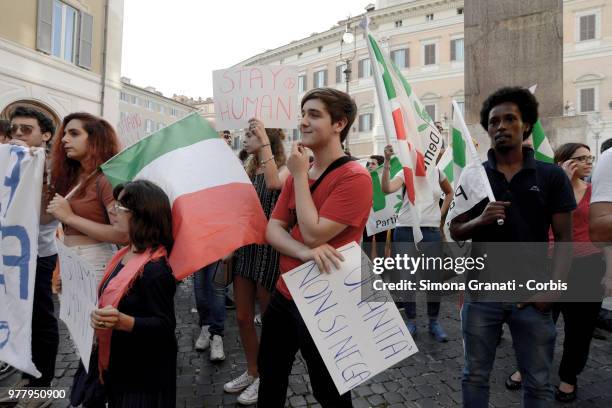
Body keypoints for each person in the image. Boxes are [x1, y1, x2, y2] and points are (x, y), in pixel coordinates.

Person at [450, 87, 575, 407]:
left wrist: (553, 291)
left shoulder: (551, 176)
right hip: (481, 295)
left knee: (538, 382)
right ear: (487, 128)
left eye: (510, 119)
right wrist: (479, 222)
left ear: (527, 125)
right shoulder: (474, 175)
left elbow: (564, 238)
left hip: (531, 296)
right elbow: (455, 229)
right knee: (475, 375)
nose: (501, 126)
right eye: (494, 121)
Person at [258, 88, 372, 407]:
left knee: (330, 391)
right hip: (285, 293)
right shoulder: (302, 172)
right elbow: (273, 228)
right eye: (303, 113)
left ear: (339, 124)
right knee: (271, 378)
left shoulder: (356, 177)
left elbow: (313, 233)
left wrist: (298, 176)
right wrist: (305, 253)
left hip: (329, 298)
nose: (303, 121)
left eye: (314, 114)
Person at [506, 143, 604, 402]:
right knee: (535, 323)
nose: (588, 162)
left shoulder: (595, 193)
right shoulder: (542, 189)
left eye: (590, 158)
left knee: (579, 329)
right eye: (580, 158)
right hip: (545, 264)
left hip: (587, 267)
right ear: (562, 161)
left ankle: (569, 377)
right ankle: (525, 367)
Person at [90, 180, 176, 407]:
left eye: (119, 207)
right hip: (121, 365)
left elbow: (165, 326)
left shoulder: (155, 270)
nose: (112, 210)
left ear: (141, 216)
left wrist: (124, 322)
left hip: (143, 377)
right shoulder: (125, 254)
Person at [223, 118, 288, 405]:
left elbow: (275, 185)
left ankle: (266, 375)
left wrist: (262, 140)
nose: (245, 140)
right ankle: (252, 370)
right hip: (246, 249)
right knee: (241, 316)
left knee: (270, 322)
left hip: (269, 251)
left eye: (250, 135)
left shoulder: (284, 169)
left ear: (266, 139)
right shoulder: (249, 170)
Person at [0, 107, 58, 408]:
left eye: (26, 129)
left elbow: (46, 217)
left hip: (38, 255)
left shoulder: (51, 167)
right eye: (14, 130)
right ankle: (25, 379)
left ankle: (43, 388)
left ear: (45, 135)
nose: (18, 135)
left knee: (39, 318)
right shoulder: (9, 162)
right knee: (15, 314)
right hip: (9, 253)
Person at [381, 144, 454, 341]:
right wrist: (386, 161)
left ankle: (433, 322)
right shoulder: (407, 172)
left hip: (430, 232)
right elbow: (386, 188)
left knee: (433, 280)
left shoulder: (437, 173)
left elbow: (450, 193)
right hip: (405, 230)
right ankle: (411, 321)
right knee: (407, 279)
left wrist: (440, 214)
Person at [48, 112, 127, 281]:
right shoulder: (71, 178)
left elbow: (123, 234)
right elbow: (43, 219)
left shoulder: (105, 179)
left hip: (94, 260)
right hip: (69, 258)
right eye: (64, 134)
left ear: (95, 139)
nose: (64, 139)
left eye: (74, 133)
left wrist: (69, 217)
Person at [363, 155, 390, 260]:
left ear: (380, 166)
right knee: (366, 248)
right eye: (368, 164)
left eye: (373, 164)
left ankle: (382, 271)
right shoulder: (363, 180)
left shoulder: (386, 182)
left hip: (381, 219)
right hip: (367, 220)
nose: (369, 166)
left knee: (380, 247)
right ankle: (368, 272)